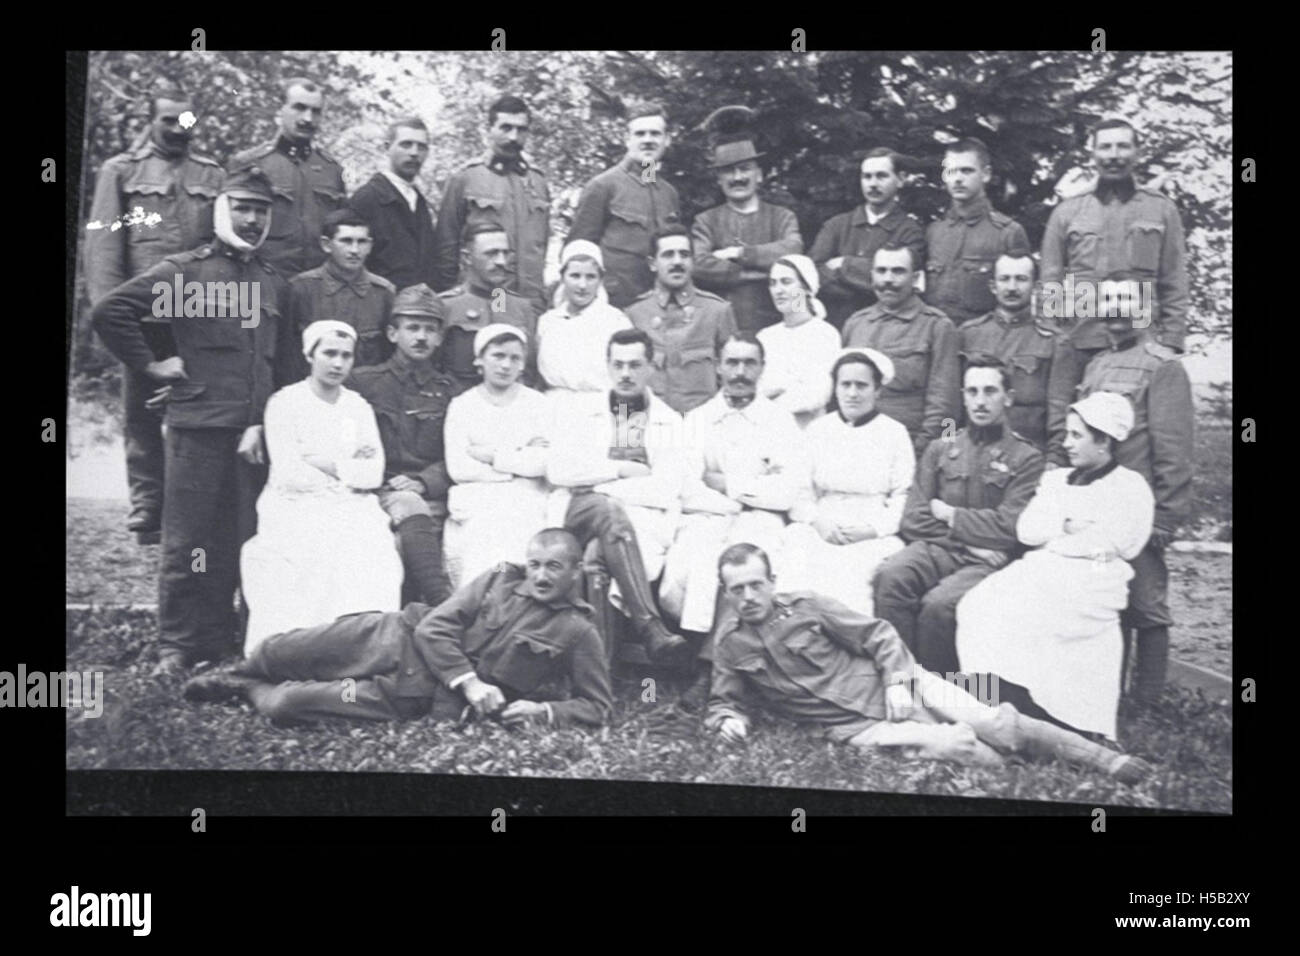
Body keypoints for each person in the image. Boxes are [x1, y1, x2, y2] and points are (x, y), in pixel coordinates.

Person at [705, 543, 1152, 783]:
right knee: (958, 747)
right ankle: (1015, 766)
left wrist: (898, 682)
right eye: (737, 589)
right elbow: (723, 700)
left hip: (899, 683)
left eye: (755, 585)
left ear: (772, 583)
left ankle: (1100, 760)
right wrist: (729, 720)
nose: (748, 597)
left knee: (993, 721)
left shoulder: (808, 605)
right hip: (855, 728)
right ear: (727, 593)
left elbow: (878, 634)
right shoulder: (729, 644)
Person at [91, 168, 291, 675]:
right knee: (188, 541)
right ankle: (175, 644)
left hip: (251, 436)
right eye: (242, 207)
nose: (251, 219)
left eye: (260, 211)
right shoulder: (186, 273)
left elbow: (272, 362)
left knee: (235, 538)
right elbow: (113, 313)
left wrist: (266, 423)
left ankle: (220, 635)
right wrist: (154, 365)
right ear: (222, 209)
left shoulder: (272, 282)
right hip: (197, 428)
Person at [184, 529, 613, 730]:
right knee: (279, 651)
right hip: (389, 638)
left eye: (553, 567)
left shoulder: (578, 631)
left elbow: (599, 706)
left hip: (410, 693)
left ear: (576, 571)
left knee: (286, 705)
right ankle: (239, 672)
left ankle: (245, 689)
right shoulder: (500, 577)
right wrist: (470, 681)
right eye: (535, 564)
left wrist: (545, 711)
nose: (539, 576)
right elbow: (435, 627)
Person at [957, 392, 1155, 741]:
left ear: (1104, 440)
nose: (1066, 444)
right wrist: (1065, 525)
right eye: (1067, 434)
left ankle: (1051, 714)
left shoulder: (1129, 487)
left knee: (1046, 613)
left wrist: (1062, 534)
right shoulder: (1056, 480)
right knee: (977, 605)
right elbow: (1027, 530)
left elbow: (1117, 544)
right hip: (1045, 564)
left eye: (1077, 436)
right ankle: (993, 704)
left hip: (1096, 573)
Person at [84, 81, 225, 545]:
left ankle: (186, 504)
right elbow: (104, 247)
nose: (179, 128)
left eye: (186, 120)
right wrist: (110, 312)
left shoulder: (212, 175)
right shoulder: (120, 171)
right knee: (142, 411)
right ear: (151, 120)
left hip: (195, 311)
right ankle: (147, 505)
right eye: (169, 119)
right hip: (142, 310)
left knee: (193, 407)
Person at [240, 321, 403, 656]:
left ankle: (357, 650)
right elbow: (290, 475)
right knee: (308, 551)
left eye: (346, 355)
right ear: (309, 355)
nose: (338, 363)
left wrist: (326, 462)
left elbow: (373, 473)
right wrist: (349, 464)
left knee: (374, 549)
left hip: (352, 503)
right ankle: (295, 651)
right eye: (329, 353)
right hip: (292, 505)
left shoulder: (357, 406)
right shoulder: (285, 403)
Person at [873, 357, 1044, 674]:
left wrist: (950, 514)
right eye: (973, 392)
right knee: (891, 576)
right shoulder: (942, 447)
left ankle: (942, 696)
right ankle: (898, 679)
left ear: (1008, 397)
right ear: (963, 396)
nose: (980, 401)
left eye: (990, 391)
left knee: (939, 607)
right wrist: (969, 543)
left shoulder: (1027, 458)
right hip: (946, 549)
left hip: (990, 563)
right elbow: (913, 517)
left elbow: (1010, 527)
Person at [1073, 279, 1194, 703]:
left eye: (1126, 302)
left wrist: (1165, 515)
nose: (1116, 311)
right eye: (1108, 302)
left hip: (1138, 509)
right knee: (1109, 598)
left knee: (1147, 606)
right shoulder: (1096, 365)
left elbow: (1174, 450)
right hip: (1097, 503)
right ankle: (1111, 695)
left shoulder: (1163, 366)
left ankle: (1148, 702)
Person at [1042, 117, 1190, 463]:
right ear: (1091, 154)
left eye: (1123, 146)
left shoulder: (1160, 209)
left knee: (1137, 437)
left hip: (1140, 344)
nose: (1113, 154)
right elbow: (1050, 283)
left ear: (1137, 152)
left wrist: (1169, 343)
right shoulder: (1067, 211)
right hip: (1080, 343)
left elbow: (1174, 279)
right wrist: (1057, 339)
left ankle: (1144, 506)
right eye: (1105, 146)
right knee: (1074, 433)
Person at [545, 328, 689, 663]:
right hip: (576, 515)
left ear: (651, 367)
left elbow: (665, 489)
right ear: (607, 366)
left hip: (633, 522)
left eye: (635, 365)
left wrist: (595, 482)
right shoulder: (580, 411)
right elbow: (559, 471)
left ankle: (600, 672)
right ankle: (650, 627)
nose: (625, 374)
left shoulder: (669, 420)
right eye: (618, 364)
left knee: (598, 555)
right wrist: (621, 470)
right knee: (608, 511)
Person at [660, 333, 805, 641]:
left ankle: (714, 659)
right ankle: (697, 641)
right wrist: (747, 492)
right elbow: (686, 485)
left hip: (761, 518)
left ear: (762, 367)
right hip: (707, 515)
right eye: (732, 363)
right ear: (717, 367)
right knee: (683, 572)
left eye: (749, 363)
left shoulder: (780, 421)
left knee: (745, 570)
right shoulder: (698, 419)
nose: (740, 372)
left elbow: (786, 492)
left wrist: (728, 484)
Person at [780, 350, 914, 615]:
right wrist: (818, 522)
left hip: (870, 527)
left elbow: (904, 495)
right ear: (835, 388)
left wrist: (872, 529)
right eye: (845, 384)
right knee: (797, 554)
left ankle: (848, 645)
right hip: (823, 522)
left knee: (851, 574)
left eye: (862, 385)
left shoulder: (894, 433)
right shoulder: (818, 430)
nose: (852, 393)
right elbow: (800, 492)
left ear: (877, 391)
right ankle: (793, 639)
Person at [348, 284, 457, 607]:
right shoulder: (363, 383)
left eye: (429, 329)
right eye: (413, 328)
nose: (421, 337)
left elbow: (456, 453)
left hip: (425, 493)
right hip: (373, 489)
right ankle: (441, 609)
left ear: (439, 338)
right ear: (393, 333)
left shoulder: (450, 391)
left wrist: (424, 481)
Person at [443, 324, 552, 588]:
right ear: (479, 360)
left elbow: (545, 461)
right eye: (498, 356)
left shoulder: (538, 404)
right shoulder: (463, 405)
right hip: (478, 498)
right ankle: (482, 608)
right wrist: (519, 461)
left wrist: (492, 456)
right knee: (485, 535)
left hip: (529, 496)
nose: (506, 365)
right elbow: (459, 467)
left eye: (515, 358)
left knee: (523, 529)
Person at [433, 96, 551, 309]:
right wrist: (452, 298)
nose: (514, 137)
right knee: (500, 332)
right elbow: (446, 245)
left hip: (531, 298)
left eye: (521, 129)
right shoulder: (467, 178)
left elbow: (542, 245)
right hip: (492, 296)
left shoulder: (538, 181)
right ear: (489, 129)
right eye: (506, 128)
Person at [842, 245, 960, 457]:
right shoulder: (855, 324)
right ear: (871, 276)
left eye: (898, 271)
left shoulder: (938, 326)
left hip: (911, 447)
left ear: (915, 278)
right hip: (855, 446)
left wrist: (937, 450)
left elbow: (947, 406)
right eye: (881, 271)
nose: (888, 279)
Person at [228, 77, 346, 275]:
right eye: (299, 107)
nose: (308, 118)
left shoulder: (331, 170)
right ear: (279, 110)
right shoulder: (250, 163)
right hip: (265, 279)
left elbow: (340, 231)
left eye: (316, 111)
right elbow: (230, 229)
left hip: (317, 285)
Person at [568, 102, 682, 307]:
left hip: (658, 303)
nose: (647, 140)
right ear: (627, 140)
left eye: (655, 134)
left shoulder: (668, 193)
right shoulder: (603, 186)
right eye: (640, 134)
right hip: (613, 303)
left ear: (667, 140)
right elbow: (578, 250)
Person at [957, 254, 1069, 448]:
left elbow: (1059, 412)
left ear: (1036, 288)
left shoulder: (1055, 342)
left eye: (1021, 279)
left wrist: (1055, 457)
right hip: (972, 450)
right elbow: (950, 407)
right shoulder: (968, 334)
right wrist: (948, 445)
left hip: (1031, 453)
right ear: (993, 286)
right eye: (1004, 279)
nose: (1011, 288)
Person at [691, 139, 803, 331]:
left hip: (778, 323)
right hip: (724, 324)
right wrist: (763, 273)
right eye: (728, 171)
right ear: (719, 179)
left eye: (744, 168)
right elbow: (699, 265)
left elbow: (793, 252)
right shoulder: (706, 221)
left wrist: (739, 253)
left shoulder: (782, 217)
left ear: (759, 175)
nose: (737, 177)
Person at [809, 147, 926, 330]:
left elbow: (902, 283)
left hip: (888, 328)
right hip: (835, 325)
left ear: (901, 179)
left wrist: (844, 264)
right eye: (867, 177)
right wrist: (866, 282)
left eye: (881, 176)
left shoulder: (910, 231)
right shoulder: (836, 225)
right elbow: (812, 274)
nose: (873, 184)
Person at [624, 226, 737, 414]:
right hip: (651, 425)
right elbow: (624, 384)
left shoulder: (717, 311)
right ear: (652, 263)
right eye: (668, 255)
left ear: (692, 261)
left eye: (684, 255)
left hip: (702, 425)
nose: (677, 261)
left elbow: (733, 377)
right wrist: (626, 437)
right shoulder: (634, 314)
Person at [922, 137, 1031, 326]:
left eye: (967, 171)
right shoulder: (934, 232)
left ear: (986, 174)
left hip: (983, 344)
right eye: (951, 171)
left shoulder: (1008, 233)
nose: (957, 179)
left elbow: (1020, 301)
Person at [286, 209, 396, 379]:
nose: (354, 250)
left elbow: (389, 355)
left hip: (365, 395)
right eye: (346, 241)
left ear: (370, 246)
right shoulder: (301, 289)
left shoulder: (383, 293)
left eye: (362, 242)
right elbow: (286, 353)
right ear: (326, 245)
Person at [436, 223, 538, 394]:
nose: (501, 261)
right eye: (491, 254)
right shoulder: (447, 306)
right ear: (467, 257)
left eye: (505, 253)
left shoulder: (519, 307)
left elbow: (529, 370)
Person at [534, 239, 632, 415]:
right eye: (575, 276)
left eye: (590, 277)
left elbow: (628, 382)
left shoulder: (616, 322)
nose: (582, 285)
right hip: (553, 410)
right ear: (563, 277)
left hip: (600, 411)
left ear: (600, 279)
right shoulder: (547, 322)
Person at [347, 116, 438, 290]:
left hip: (417, 306)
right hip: (379, 303)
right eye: (406, 144)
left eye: (421, 146)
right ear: (387, 148)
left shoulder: (418, 200)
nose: (414, 152)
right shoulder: (367, 198)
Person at [755, 255, 842, 427]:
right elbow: (753, 392)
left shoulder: (824, 334)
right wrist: (789, 386)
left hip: (807, 433)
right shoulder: (765, 336)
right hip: (766, 433)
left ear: (806, 288)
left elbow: (816, 395)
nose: (778, 290)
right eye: (773, 283)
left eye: (786, 282)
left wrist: (771, 395)